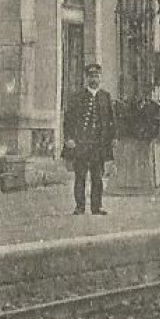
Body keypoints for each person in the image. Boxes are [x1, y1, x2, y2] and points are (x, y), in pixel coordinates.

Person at [62, 61, 116, 215]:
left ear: (100, 78)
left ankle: (96, 206)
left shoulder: (105, 97)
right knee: (80, 177)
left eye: (97, 76)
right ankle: (79, 206)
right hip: (81, 144)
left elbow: (112, 120)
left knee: (97, 178)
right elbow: (69, 119)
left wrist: (113, 138)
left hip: (98, 145)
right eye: (91, 76)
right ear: (86, 78)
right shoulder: (78, 97)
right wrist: (69, 138)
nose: (94, 79)